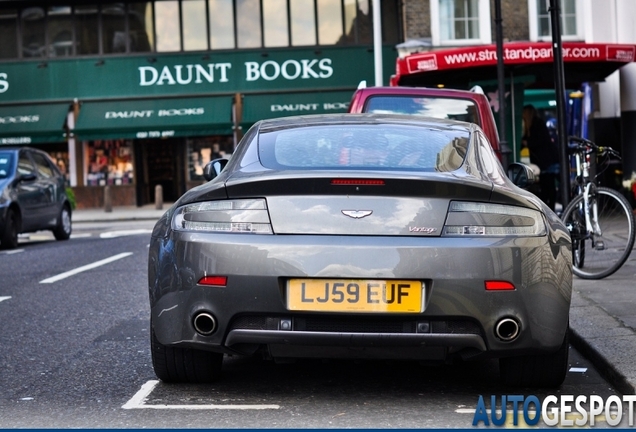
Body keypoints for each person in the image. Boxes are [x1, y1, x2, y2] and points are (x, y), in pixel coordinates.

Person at [522, 104, 560, 210]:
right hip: (544, 161)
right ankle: (549, 208)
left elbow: (541, 141)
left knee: (547, 186)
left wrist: (527, 143)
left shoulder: (536, 124)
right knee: (547, 186)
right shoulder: (534, 124)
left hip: (546, 161)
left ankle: (549, 208)